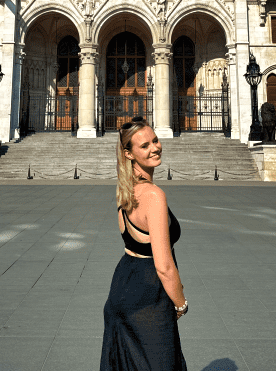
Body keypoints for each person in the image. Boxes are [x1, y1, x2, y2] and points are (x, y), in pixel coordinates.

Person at [101, 117, 187, 371]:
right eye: (144, 145)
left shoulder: (125, 189)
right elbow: (164, 266)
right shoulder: (153, 195)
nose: (155, 148)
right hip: (148, 294)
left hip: (123, 284)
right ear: (129, 154)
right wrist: (181, 303)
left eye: (155, 140)